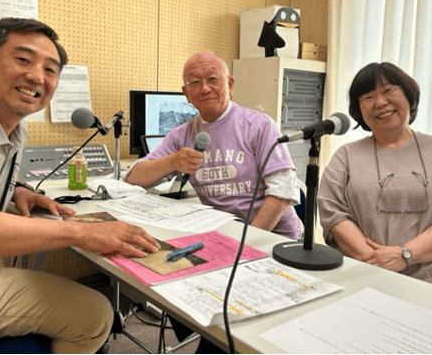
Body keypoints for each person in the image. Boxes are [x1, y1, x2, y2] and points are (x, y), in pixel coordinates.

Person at [0, 17, 160, 354]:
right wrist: (81, 233)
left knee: (94, 315)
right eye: (23, 60)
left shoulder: (14, 129)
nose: (37, 77)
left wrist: (19, 190)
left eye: (50, 69)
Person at [317, 62, 432, 296]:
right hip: (366, 275)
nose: (380, 102)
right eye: (368, 97)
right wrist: (375, 260)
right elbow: (333, 213)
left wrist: (404, 255)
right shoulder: (346, 155)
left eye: (388, 91)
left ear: (409, 96)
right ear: (358, 109)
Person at [125, 51, 304, 239]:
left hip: (273, 235)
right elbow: (133, 178)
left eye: (212, 79)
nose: (205, 89)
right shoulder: (181, 135)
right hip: (224, 233)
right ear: (186, 94)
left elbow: (282, 192)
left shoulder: (260, 126)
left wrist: (246, 242)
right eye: (195, 82)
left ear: (230, 84)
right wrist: (173, 162)